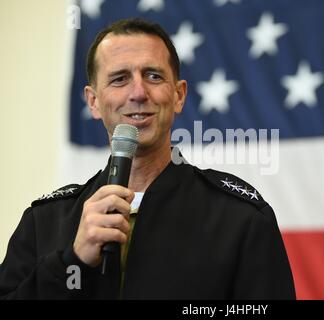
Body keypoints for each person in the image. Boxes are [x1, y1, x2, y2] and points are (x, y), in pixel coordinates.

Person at [0, 18, 295, 299]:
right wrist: (72, 261)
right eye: (119, 79)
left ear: (179, 95)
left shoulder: (240, 218)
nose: (138, 92)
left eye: (153, 76)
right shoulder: (43, 222)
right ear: (93, 102)